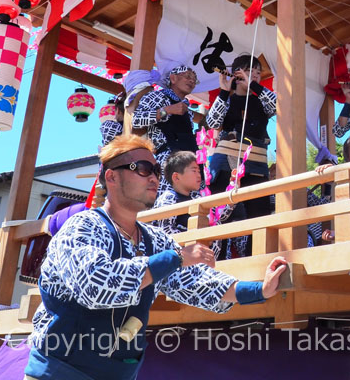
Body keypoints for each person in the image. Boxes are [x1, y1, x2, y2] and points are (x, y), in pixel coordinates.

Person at [23, 135, 287, 380]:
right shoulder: (83, 226)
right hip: (59, 371)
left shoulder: (154, 240)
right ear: (112, 177)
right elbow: (95, 285)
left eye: (156, 171)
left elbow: (197, 283)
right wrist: (175, 258)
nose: (153, 178)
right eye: (142, 169)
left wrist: (259, 290)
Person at [206, 55, 276, 254]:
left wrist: (255, 87)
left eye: (256, 72)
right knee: (221, 215)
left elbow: (278, 106)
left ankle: (258, 261)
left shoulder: (262, 100)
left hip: (256, 163)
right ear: (237, 74)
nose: (253, 75)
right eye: (248, 70)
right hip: (226, 163)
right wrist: (223, 90)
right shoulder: (226, 99)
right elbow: (212, 123)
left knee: (259, 215)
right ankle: (217, 260)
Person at [132, 65, 204, 194]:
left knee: (197, 202)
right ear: (173, 78)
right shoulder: (157, 97)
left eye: (194, 79)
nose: (192, 81)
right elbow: (136, 120)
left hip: (192, 161)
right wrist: (166, 110)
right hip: (169, 158)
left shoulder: (188, 110)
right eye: (188, 77)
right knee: (169, 201)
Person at [152, 150, 232, 259]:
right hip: (181, 259)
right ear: (176, 177)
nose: (199, 175)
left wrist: (233, 186)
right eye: (194, 171)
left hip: (203, 257)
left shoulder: (197, 198)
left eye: (199, 171)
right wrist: (196, 239)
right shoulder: (168, 198)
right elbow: (166, 229)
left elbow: (218, 217)